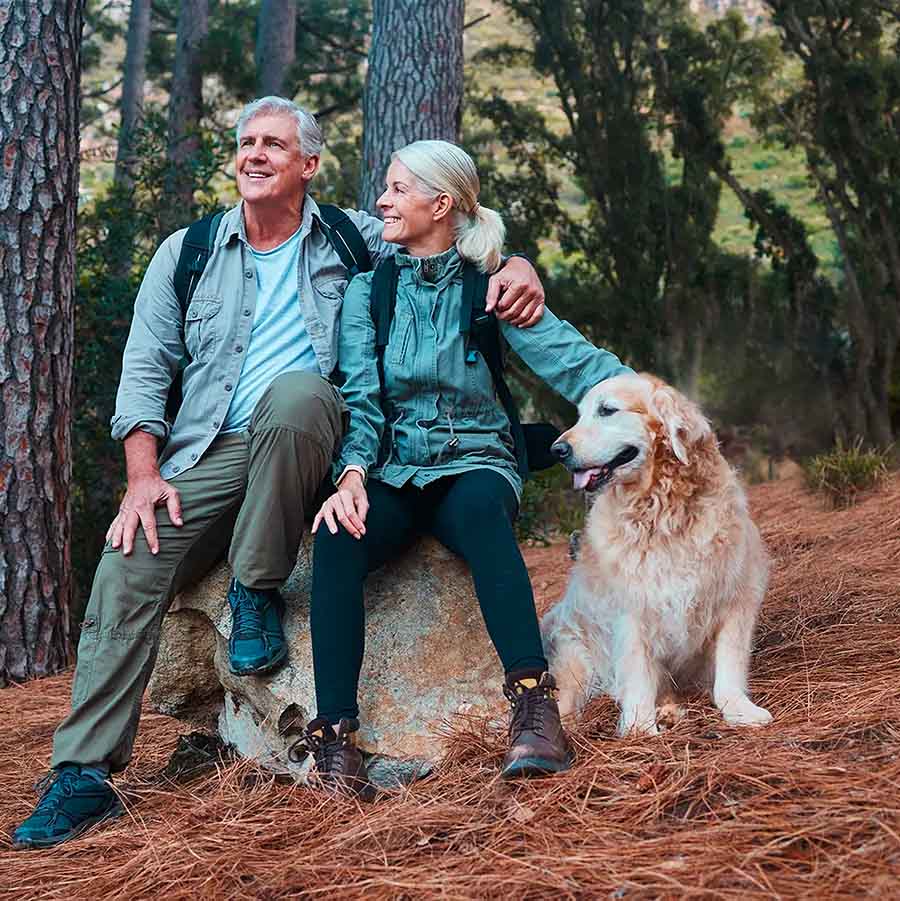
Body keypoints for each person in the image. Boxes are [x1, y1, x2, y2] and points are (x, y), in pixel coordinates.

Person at [12, 98, 547, 849]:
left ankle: (254, 588)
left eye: (274, 144)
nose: (255, 154)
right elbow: (145, 370)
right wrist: (143, 475)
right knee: (130, 559)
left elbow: (448, 238)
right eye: (247, 142)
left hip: (315, 445)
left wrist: (517, 265)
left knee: (297, 395)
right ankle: (83, 774)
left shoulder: (356, 239)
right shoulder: (188, 251)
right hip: (210, 449)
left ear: (309, 165)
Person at [294, 140, 633, 799]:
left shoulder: (491, 285)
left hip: (476, 458)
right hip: (393, 468)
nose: (382, 201)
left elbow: (576, 364)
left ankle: (534, 708)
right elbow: (360, 397)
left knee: (480, 512)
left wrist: (650, 404)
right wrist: (353, 476)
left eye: (398, 189)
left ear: (441, 203)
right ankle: (335, 740)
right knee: (338, 533)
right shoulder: (370, 292)